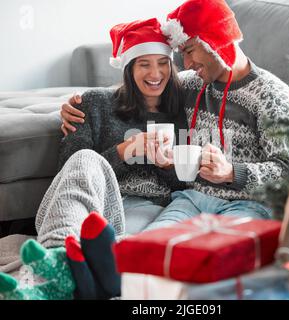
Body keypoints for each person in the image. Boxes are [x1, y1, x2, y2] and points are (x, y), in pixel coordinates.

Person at [61, 0, 289, 229]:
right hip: (191, 199)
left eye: (190, 51)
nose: (186, 63)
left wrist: (232, 172)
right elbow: (142, 87)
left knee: (210, 256)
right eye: (181, 54)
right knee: (150, 248)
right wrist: (78, 104)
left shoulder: (272, 97)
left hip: (248, 204)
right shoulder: (192, 85)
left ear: (216, 41)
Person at [0, 18, 188, 300]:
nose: (155, 73)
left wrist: (168, 165)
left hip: (148, 214)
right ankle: (57, 256)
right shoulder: (95, 104)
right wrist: (124, 151)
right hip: (92, 208)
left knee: (113, 253)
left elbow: (187, 186)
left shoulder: (185, 110)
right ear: (129, 68)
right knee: (86, 158)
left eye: (162, 62)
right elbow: (71, 168)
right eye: (144, 64)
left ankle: (49, 275)